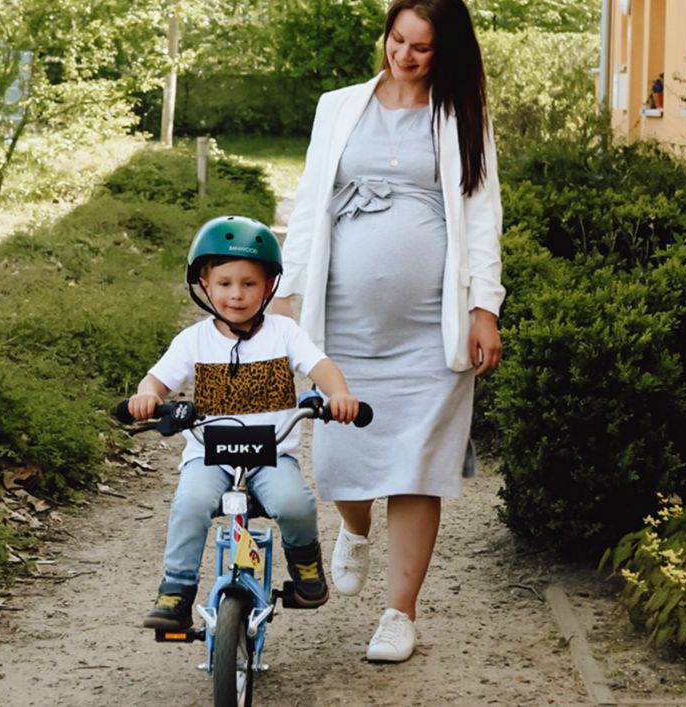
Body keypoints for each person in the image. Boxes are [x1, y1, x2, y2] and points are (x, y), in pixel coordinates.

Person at [271, 0, 504, 662]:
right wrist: (286, 295)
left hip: (432, 329)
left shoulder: (463, 116)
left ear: (445, 53)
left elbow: (483, 215)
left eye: (421, 47)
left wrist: (484, 307)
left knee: (417, 465)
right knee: (341, 465)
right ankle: (354, 527)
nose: (404, 55)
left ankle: (400, 611)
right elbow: (312, 206)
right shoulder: (338, 106)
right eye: (397, 39)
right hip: (345, 321)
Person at [128, 215, 361, 630]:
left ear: (269, 286)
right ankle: (176, 591)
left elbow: (319, 365)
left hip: (271, 456)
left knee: (295, 504)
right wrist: (148, 397)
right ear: (204, 284)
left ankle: (305, 564)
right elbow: (158, 379)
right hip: (210, 456)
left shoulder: (284, 333)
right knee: (189, 505)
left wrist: (338, 394)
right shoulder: (193, 341)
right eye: (225, 284)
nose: (237, 295)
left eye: (249, 284)